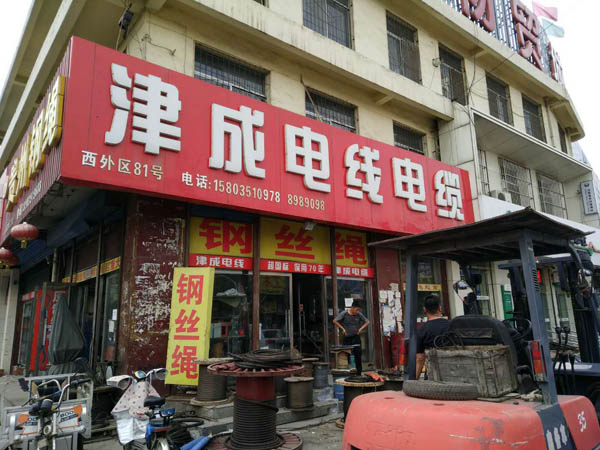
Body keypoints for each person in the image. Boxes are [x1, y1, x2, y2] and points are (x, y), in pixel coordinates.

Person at [415, 294, 449, 378]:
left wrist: (414, 379)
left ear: (424, 310)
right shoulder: (452, 325)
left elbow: (420, 359)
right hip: (454, 371)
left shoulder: (421, 330)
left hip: (433, 375)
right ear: (440, 308)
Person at [333, 300, 370, 375]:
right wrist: (342, 329)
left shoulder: (359, 314)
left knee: (358, 354)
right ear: (352, 307)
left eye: (359, 310)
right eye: (357, 309)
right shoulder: (344, 313)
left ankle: (359, 373)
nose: (357, 311)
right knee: (346, 355)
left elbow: (367, 322)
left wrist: (360, 329)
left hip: (356, 337)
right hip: (347, 337)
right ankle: (348, 372)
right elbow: (335, 321)